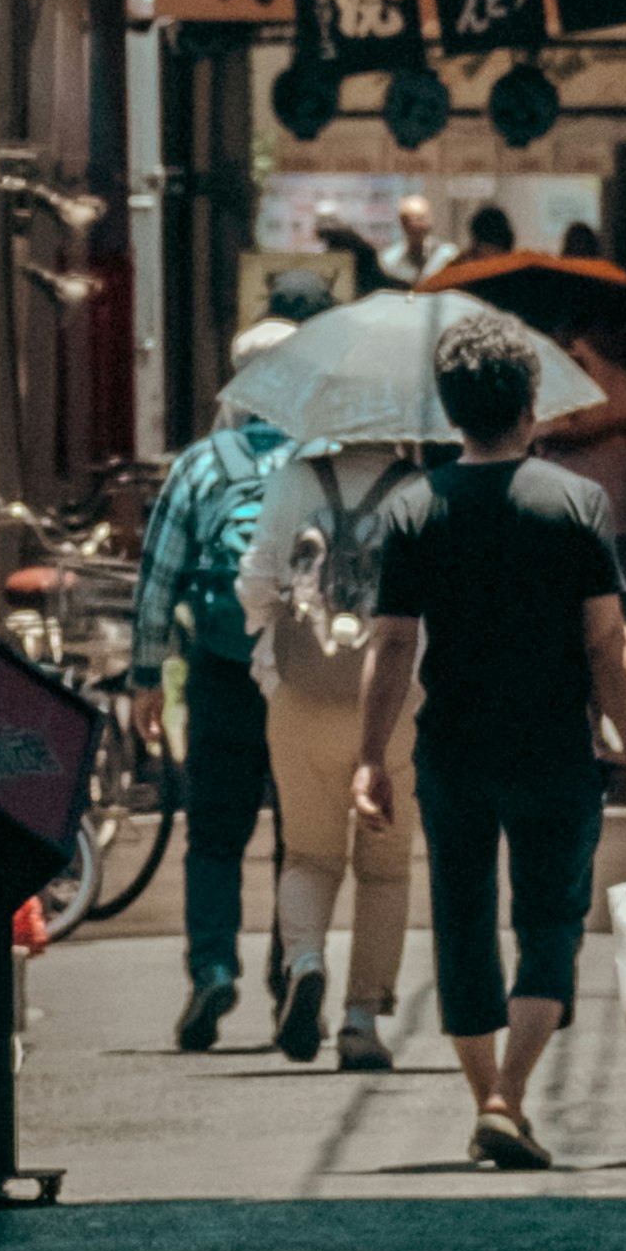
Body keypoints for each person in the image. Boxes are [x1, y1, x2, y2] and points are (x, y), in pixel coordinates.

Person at [353, 306, 626, 1171]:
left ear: (450, 409)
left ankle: (483, 1092)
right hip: (552, 751)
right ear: (532, 404)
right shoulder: (575, 503)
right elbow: (605, 645)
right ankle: (509, 1098)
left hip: (452, 751)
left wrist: (366, 760)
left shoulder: (413, 510)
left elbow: (391, 646)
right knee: (549, 921)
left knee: (460, 921)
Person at [237, 423, 421, 1067]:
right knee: (387, 867)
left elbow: (254, 585)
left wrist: (287, 615)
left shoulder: (292, 480)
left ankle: (306, 960)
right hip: (397, 701)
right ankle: (361, 1020)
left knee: (308, 856)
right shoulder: (421, 490)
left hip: (301, 694)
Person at [126, 334, 290, 1051]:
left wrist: (145, 680)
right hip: (300, 672)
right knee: (303, 838)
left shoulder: (199, 465)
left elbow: (158, 578)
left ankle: (213, 969)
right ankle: (296, 972)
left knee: (215, 835)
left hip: (220, 671)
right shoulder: (317, 464)